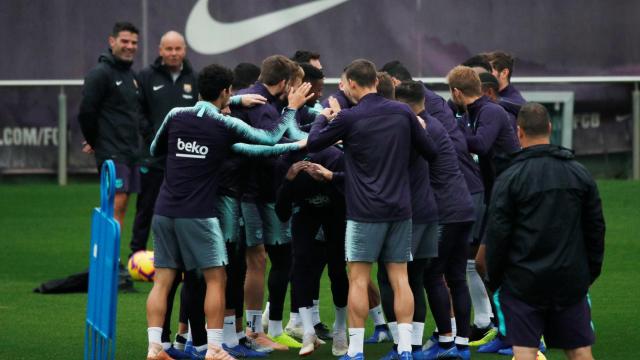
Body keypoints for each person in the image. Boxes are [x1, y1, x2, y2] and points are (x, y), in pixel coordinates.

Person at [145, 63, 304, 360]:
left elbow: (155, 149)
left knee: (164, 279)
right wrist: (292, 112)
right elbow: (269, 140)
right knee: (217, 278)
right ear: (225, 92)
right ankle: (216, 348)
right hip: (199, 213)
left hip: (164, 209)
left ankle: (155, 347)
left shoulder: (176, 115)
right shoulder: (224, 125)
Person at [307, 59, 439, 360]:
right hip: (400, 210)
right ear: (376, 82)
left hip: (364, 213)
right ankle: (405, 348)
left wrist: (323, 118)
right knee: (400, 278)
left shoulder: (349, 118)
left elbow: (314, 144)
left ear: (352, 83)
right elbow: (431, 152)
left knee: (358, 279)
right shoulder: (404, 112)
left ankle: (355, 351)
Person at [485, 103, 605, 360]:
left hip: (523, 282)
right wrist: (587, 274)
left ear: (519, 132)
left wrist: (497, 281)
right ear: (550, 128)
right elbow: (595, 230)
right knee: (580, 351)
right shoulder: (579, 173)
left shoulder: (509, 178)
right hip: (569, 280)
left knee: (525, 352)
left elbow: (497, 235)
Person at [230, 55, 314, 351]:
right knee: (254, 260)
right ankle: (251, 333)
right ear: (283, 83)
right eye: (292, 85)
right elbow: (271, 141)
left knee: (249, 262)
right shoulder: (263, 105)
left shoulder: (244, 98)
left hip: (252, 192)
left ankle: (235, 332)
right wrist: (292, 110)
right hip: (249, 193)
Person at [128, 29, 198, 358]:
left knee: (172, 214)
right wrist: (150, 135)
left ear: (184, 50)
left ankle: (175, 259)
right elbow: (137, 112)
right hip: (154, 160)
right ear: (160, 49)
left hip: (183, 164)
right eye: (168, 48)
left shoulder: (193, 78)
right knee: (146, 209)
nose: (173, 53)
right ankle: (135, 258)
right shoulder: (145, 76)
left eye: (177, 48)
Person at [78, 21, 143, 231]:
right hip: (112, 152)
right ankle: (106, 261)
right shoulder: (100, 73)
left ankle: (110, 260)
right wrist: (95, 140)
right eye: (125, 41)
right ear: (112, 41)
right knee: (114, 205)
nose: (130, 46)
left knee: (121, 206)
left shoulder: (131, 76)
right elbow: (86, 112)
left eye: (134, 42)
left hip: (131, 151)